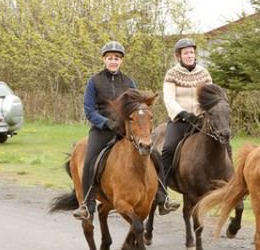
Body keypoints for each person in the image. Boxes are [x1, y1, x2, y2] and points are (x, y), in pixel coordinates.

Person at [72, 41, 180, 220]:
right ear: (103, 60)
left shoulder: (129, 82)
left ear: (121, 61)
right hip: (102, 130)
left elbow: (137, 106)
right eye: (109, 58)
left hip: (126, 129)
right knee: (91, 161)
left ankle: (163, 197)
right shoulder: (94, 81)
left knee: (154, 155)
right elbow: (89, 111)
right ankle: (87, 205)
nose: (113, 61)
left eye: (116, 58)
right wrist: (106, 123)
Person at [160, 38, 213, 188]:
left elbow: (210, 97)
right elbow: (169, 99)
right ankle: (162, 188)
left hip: (201, 120)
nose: (189, 55)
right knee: (168, 148)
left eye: (191, 52)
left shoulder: (204, 73)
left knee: (223, 141)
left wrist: (203, 113)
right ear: (179, 56)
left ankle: (230, 179)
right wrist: (182, 114)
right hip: (180, 121)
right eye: (186, 53)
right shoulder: (172, 74)